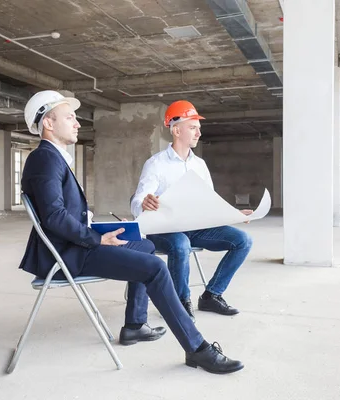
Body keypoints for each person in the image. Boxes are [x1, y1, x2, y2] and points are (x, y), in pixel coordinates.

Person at [17, 90, 243, 374]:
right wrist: (97, 238)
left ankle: (135, 325)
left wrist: (101, 230)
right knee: (154, 268)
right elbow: (54, 217)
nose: (77, 123)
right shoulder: (45, 159)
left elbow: (62, 215)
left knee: (144, 246)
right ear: (48, 123)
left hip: (77, 245)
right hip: (69, 254)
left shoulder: (53, 158)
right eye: (70, 117)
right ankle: (197, 349)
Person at [130, 100, 253, 323]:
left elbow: (209, 202)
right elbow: (138, 200)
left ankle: (211, 295)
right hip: (164, 230)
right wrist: (144, 203)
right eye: (193, 127)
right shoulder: (156, 164)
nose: (199, 132)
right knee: (180, 244)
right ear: (176, 130)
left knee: (243, 240)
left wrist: (232, 213)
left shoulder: (200, 165)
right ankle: (178, 302)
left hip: (195, 228)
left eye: (198, 127)